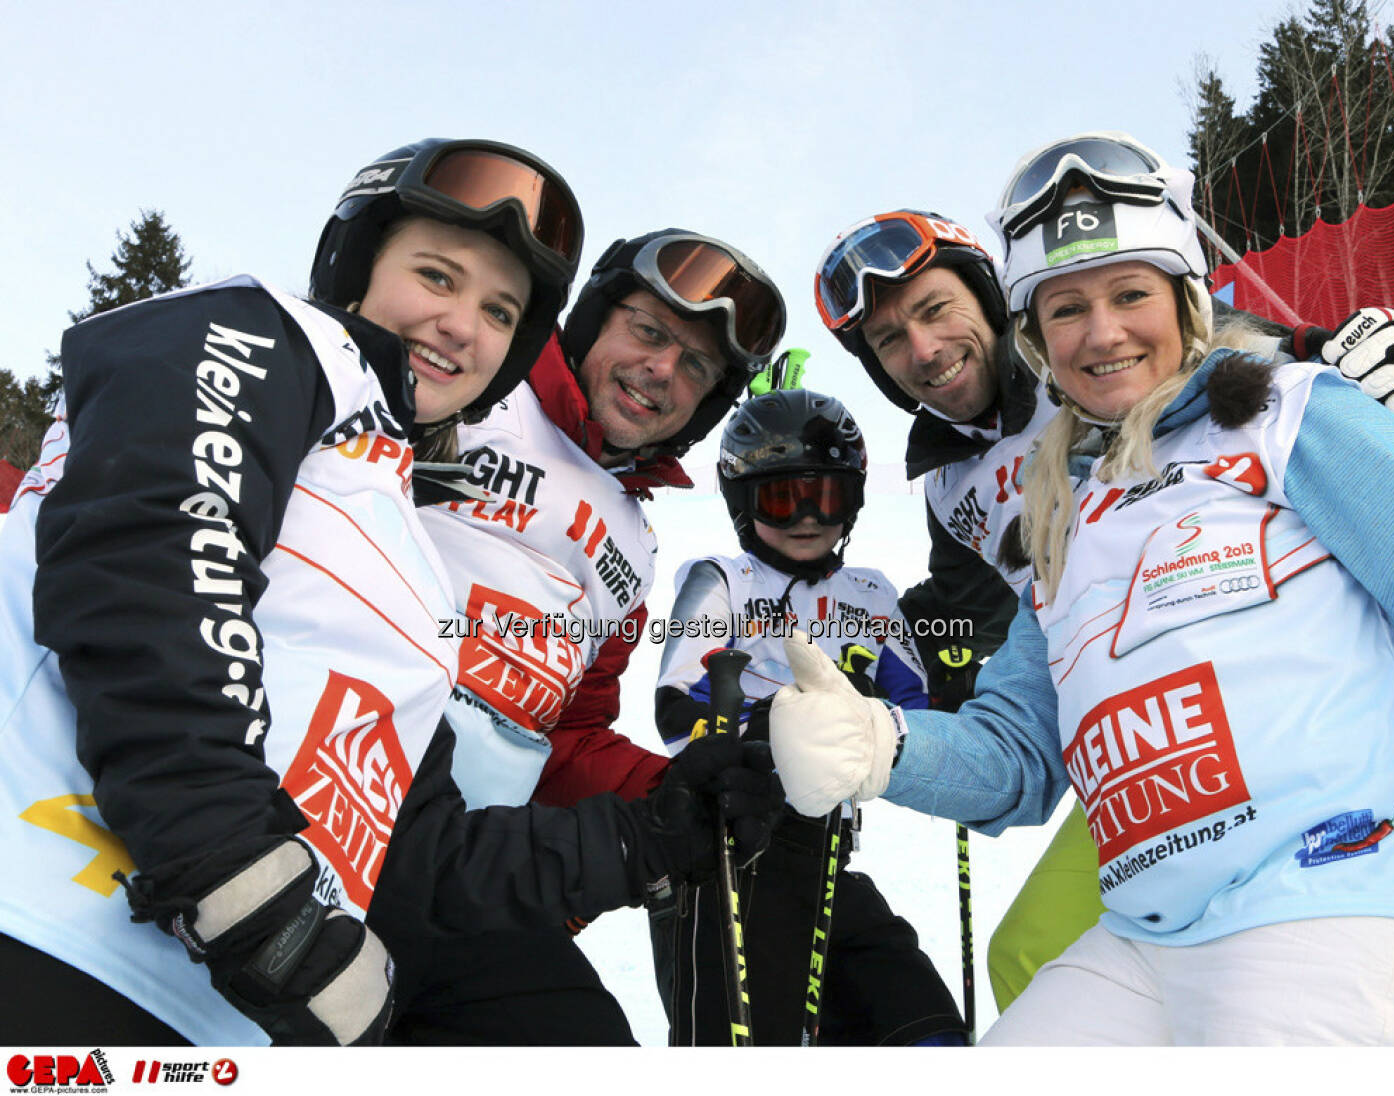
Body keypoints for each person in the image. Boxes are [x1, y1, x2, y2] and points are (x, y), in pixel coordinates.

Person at [0, 138, 781, 1046]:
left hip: (255, 982)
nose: (461, 325)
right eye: (436, 277)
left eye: (496, 309)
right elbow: (152, 550)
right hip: (68, 908)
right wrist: (243, 881)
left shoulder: (410, 574)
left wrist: (659, 825)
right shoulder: (275, 337)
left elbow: (422, 833)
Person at [772, 131, 1394, 1045]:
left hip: (1329, 870)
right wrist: (880, 733)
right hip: (1141, 862)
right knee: (1026, 957)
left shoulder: (1278, 409)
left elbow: (1247, 360)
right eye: (890, 340)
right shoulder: (1011, 502)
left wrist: (1354, 363)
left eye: (1129, 295)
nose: (1102, 332)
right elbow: (1004, 684)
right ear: (1039, 330)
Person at [407, 227, 789, 1041]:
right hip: (340, 790)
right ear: (587, 323)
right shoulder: (474, 388)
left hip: (470, 859)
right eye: (649, 333)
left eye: (695, 368)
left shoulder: (635, 543)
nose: (662, 372)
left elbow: (569, 734)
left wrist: (679, 792)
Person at [647, 385, 967, 1045]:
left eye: (827, 496)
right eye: (779, 497)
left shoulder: (871, 593)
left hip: (827, 857)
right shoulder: (721, 580)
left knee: (924, 1029)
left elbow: (914, 715)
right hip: (729, 864)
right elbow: (678, 708)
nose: (805, 517)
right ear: (742, 502)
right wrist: (776, 728)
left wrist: (954, 696)